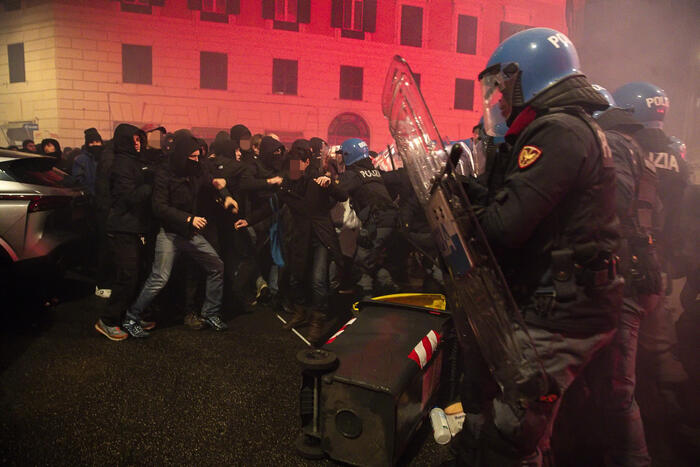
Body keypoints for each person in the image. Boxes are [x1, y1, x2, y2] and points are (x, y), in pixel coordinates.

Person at [450, 28, 622, 465]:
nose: (499, 101)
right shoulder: (564, 127)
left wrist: (468, 211)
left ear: (528, 77)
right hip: (562, 302)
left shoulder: (558, 131)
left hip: (559, 313)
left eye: (502, 88)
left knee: (509, 438)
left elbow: (505, 227)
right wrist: (476, 192)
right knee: (530, 436)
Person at [586, 85, 661, 465]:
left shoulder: (611, 145)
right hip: (641, 271)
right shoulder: (635, 148)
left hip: (626, 280)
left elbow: (608, 211)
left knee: (618, 388)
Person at [613, 82, 690, 418]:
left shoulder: (627, 148)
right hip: (664, 260)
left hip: (632, 262)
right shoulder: (677, 154)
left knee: (625, 362)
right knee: (659, 344)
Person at [121, 130, 230, 337]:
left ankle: (210, 313)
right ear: (182, 155)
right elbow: (159, 207)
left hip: (189, 233)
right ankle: (131, 318)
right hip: (170, 233)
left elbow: (212, 181)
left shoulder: (197, 169)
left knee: (216, 266)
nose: (197, 160)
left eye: (199, 156)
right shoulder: (164, 173)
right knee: (159, 277)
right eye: (193, 157)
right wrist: (188, 218)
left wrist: (225, 194)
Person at [94, 124, 152, 341]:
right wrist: (150, 186)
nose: (138, 143)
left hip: (132, 225)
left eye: (139, 139)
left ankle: (130, 315)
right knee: (127, 275)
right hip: (122, 227)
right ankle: (108, 320)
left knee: (137, 273)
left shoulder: (133, 161)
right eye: (135, 140)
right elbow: (128, 197)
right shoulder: (120, 163)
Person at [336, 138, 399, 298]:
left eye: (342, 155)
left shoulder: (352, 174)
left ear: (348, 155)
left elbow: (337, 193)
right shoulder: (374, 171)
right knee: (374, 260)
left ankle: (365, 303)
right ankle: (389, 290)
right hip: (391, 222)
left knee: (361, 264)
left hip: (375, 223)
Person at [72, 128, 104, 196]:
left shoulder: (105, 158)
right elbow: (78, 180)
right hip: (89, 196)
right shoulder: (80, 160)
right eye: (91, 142)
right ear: (87, 144)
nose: (95, 144)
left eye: (97, 142)